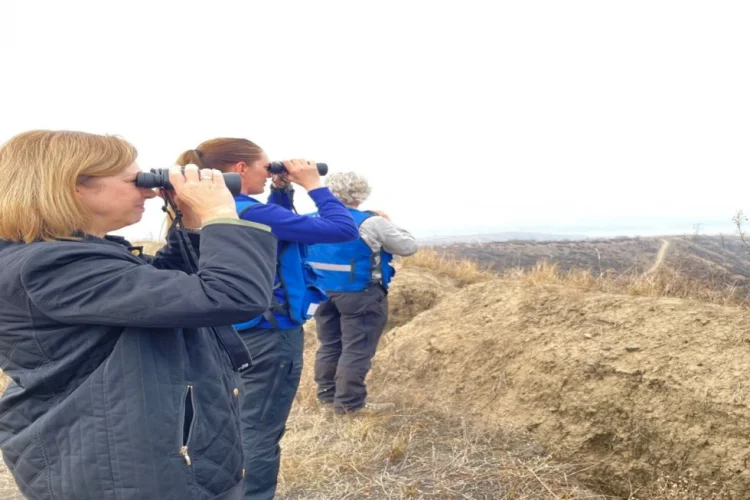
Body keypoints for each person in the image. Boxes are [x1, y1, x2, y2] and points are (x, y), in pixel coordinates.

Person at [0, 130, 277, 500]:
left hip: (129, 456)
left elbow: (167, 291)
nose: (149, 191)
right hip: (121, 470)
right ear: (75, 186)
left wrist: (193, 222)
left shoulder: (71, 257)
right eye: (136, 181)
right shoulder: (50, 265)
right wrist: (220, 214)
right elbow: (230, 296)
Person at [176, 139, 359, 500]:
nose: (268, 172)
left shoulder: (222, 210)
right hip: (269, 336)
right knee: (259, 430)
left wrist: (280, 191)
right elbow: (343, 229)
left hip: (230, 332)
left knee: (231, 423)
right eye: (265, 167)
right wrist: (314, 185)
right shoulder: (252, 212)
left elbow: (273, 239)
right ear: (241, 169)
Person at [306, 172, 418, 414]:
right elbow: (408, 247)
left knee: (329, 344)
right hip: (361, 294)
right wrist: (388, 221)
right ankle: (349, 405)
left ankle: (327, 396)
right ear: (361, 194)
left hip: (321, 292)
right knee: (357, 348)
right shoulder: (370, 222)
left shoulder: (311, 220)